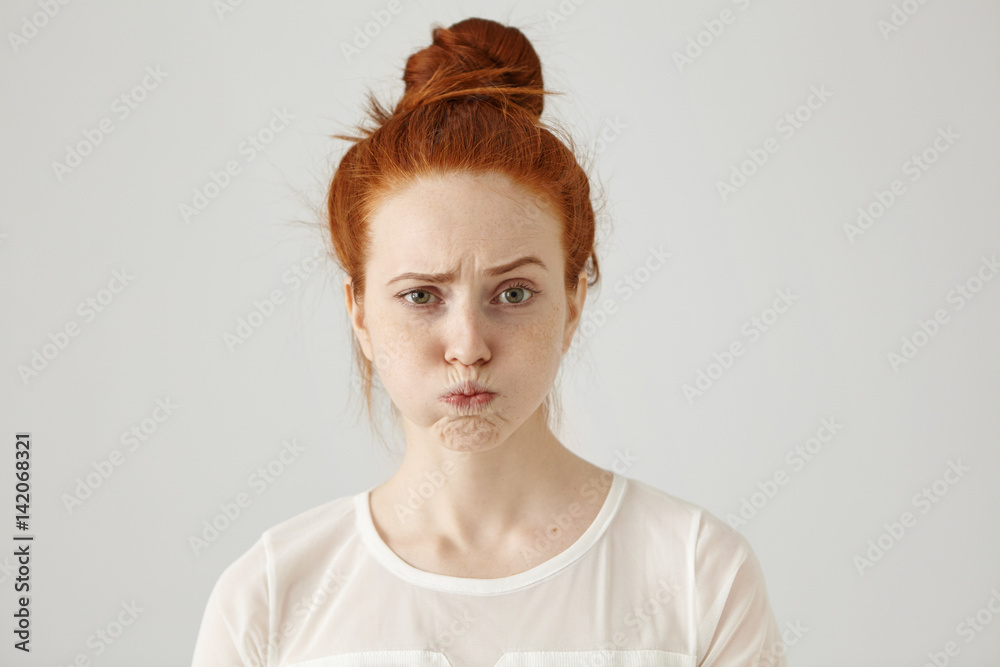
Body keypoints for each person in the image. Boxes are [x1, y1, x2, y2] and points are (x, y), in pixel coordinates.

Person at [191, 17, 788, 667]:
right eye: (421, 296)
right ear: (359, 313)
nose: (468, 345)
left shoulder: (698, 575)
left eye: (513, 294)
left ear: (573, 301)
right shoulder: (273, 596)